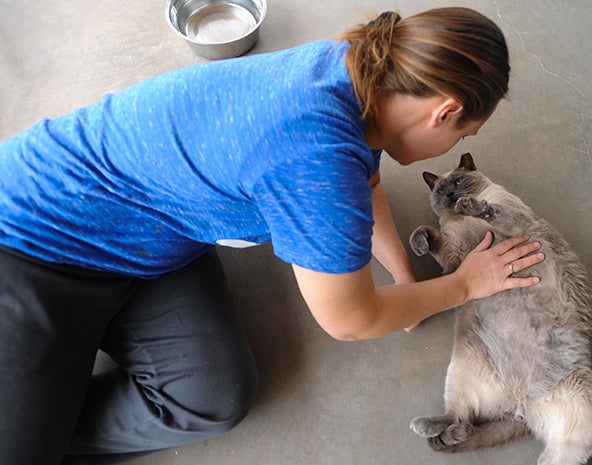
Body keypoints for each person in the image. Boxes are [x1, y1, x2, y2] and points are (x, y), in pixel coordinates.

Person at [0, 7, 544, 465]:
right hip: (30, 243)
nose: (456, 146)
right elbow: (350, 320)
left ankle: (42, 414)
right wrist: (466, 285)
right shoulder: (314, 159)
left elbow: (366, 176)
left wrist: (403, 275)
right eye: (464, 134)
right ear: (444, 111)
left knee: (213, 397)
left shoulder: (361, 74)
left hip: (158, 233)